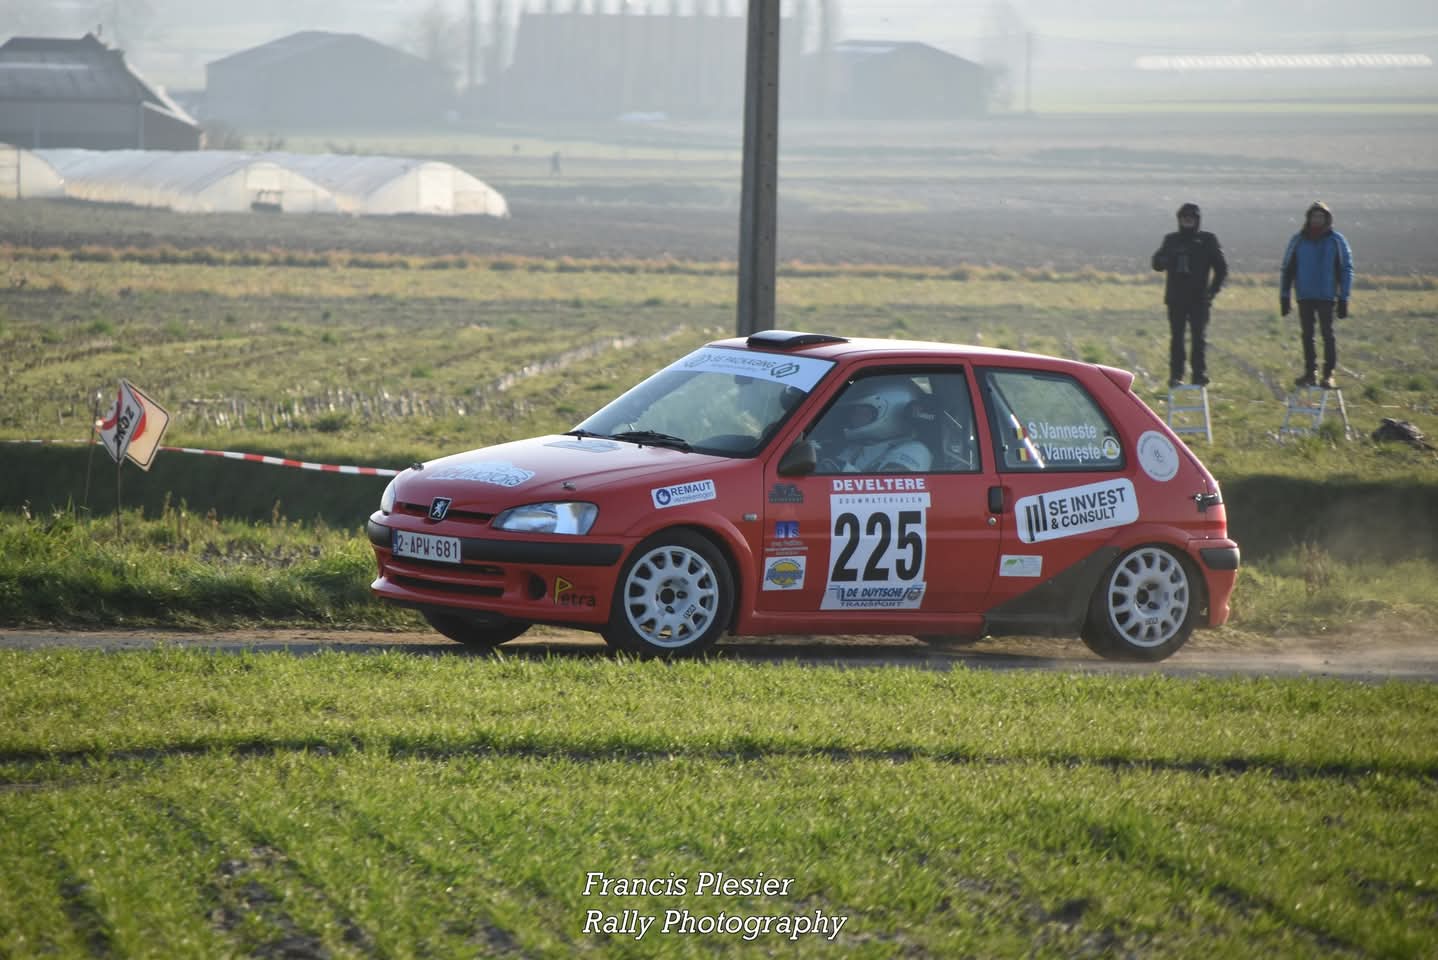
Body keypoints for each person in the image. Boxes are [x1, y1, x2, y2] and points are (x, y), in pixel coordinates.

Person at [1151, 202, 1227, 388]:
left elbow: (1221, 269)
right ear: (1179, 219)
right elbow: (1156, 264)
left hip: (1199, 299)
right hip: (1176, 299)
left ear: (1197, 220)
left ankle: (1199, 374)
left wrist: (1212, 292)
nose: (1187, 220)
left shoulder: (1207, 240)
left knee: (1198, 338)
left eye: (1191, 217)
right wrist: (1166, 258)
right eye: (1184, 217)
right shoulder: (1171, 240)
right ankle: (1176, 375)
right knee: (1176, 338)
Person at [1280, 200, 1354, 390]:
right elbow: (1287, 268)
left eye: (1321, 216)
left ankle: (1329, 374)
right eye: (1314, 216)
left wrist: (1344, 297)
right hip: (1304, 294)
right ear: (1308, 218)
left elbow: (1346, 268)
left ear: (1327, 219)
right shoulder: (1298, 240)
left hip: (1327, 295)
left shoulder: (1336, 240)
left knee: (1327, 334)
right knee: (1307, 335)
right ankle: (1310, 373)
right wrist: (1284, 295)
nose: (1317, 220)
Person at [815, 378, 932, 473]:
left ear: (890, 412)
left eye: (862, 412)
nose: (854, 417)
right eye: (854, 411)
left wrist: (840, 467)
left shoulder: (915, 451)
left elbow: (889, 489)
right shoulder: (858, 447)